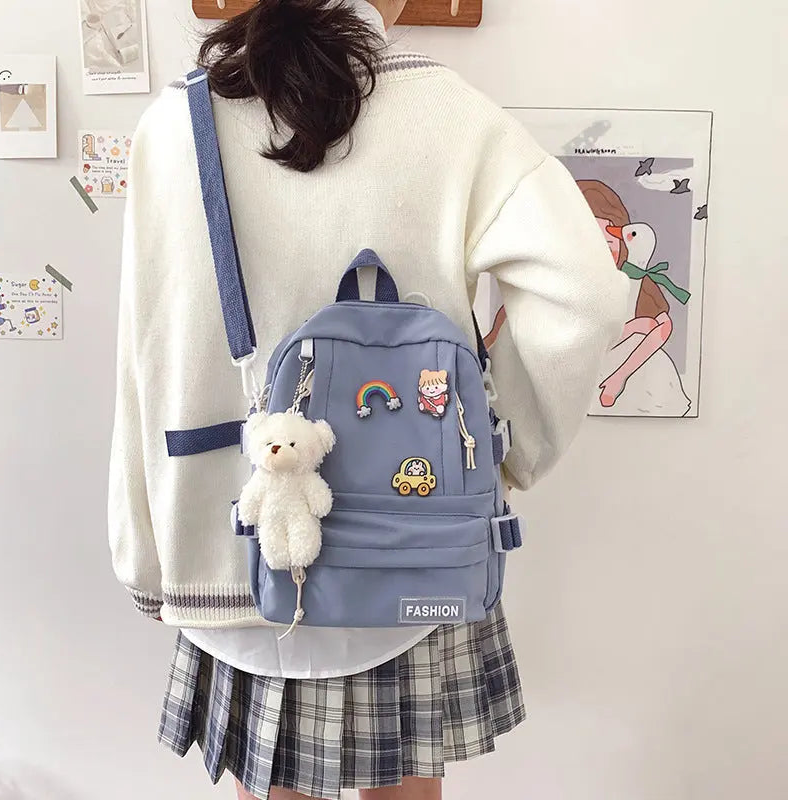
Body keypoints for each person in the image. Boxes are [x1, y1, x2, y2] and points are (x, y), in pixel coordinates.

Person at [107, 1, 629, 798]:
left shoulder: (175, 123)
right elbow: (584, 295)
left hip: (225, 548)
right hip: (410, 541)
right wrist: (508, 452)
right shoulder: (451, 116)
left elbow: (143, 355)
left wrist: (144, 557)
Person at [576, 179, 691, 416]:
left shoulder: (635, 279)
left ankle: (617, 380)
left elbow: (663, 325)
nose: (602, 251)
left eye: (609, 243)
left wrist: (620, 373)